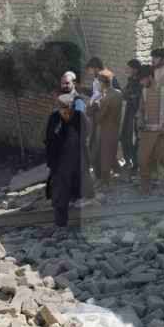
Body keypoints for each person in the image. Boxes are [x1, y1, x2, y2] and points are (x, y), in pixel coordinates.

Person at [45, 94, 94, 233]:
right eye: (64, 113)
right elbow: (46, 139)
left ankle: (89, 219)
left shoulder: (80, 117)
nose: (68, 116)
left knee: (87, 189)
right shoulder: (54, 119)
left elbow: (88, 135)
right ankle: (61, 225)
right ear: (59, 110)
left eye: (70, 113)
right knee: (60, 194)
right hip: (61, 163)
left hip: (79, 161)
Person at [135, 65, 164, 196]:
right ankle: (146, 184)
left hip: (162, 133)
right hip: (148, 132)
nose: (141, 83)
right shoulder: (144, 92)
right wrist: (140, 121)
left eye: (142, 79)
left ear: (150, 77)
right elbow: (141, 111)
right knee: (142, 159)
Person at [86, 70, 123, 191]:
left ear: (101, 83)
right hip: (115, 129)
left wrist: (95, 105)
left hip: (104, 131)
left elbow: (98, 119)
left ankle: (105, 183)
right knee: (110, 155)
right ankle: (122, 176)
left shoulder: (105, 99)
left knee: (103, 156)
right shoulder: (118, 94)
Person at [120, 59, 142, 174]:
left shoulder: (140, 83)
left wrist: (130, 96)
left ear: (135, 70)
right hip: (128, 114)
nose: (127, 70)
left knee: (133, 140)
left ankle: (135, 166)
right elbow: (125, 95)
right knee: (124, 137)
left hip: (135, 115)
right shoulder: (131, 82)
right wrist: (129, 95)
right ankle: (128, 162)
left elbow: (136, 100)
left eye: (129, 68)